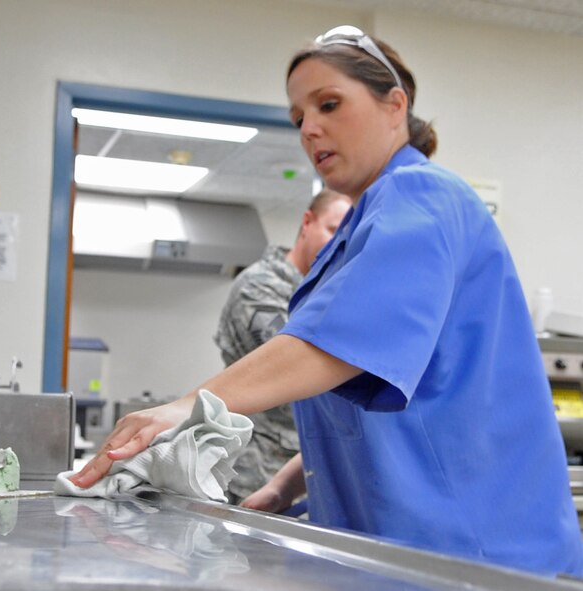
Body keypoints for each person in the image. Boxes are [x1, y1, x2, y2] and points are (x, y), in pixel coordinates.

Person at [71, 25, 583, 577]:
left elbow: (337, 347)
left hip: (470, 546)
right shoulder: (367, 223)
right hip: (399, 543)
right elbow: (366, 405)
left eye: (330, 104)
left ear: (395, 105)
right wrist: (285, 484)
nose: (310, 129)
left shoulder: (423, 196)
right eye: (298, 119)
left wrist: (184, 407)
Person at [214, 188, 351, 504]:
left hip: (307, 468)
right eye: (332, 230)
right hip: (258, 467)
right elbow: (294, 368)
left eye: (347, 238)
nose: (338, 246)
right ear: (307, 222)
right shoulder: (260, 287)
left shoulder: (330, 290)